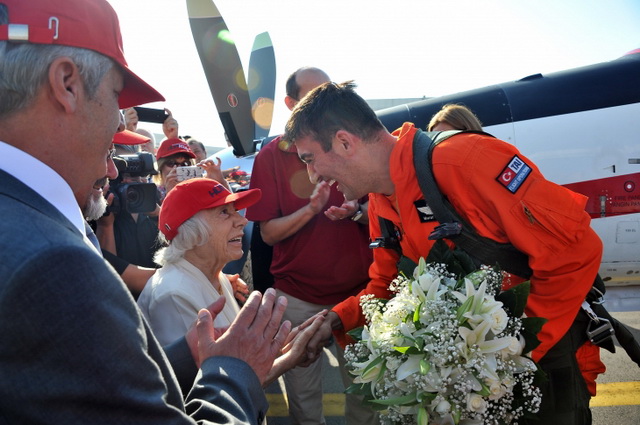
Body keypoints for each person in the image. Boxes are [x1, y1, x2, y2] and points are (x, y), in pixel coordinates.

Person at [0, 1, 317, 423]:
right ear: (67, 83)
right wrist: (236, 370)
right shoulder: (54, 264)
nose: (117, 121)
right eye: (116, 94)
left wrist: (192, 353)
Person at [284, 81, 605, 425]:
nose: (311, 175)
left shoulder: (466, 160)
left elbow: (574, 253)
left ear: (344, 141)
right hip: (471, 381)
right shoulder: (379, 202)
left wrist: (509, 350)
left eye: (310, 159)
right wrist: (334, 319)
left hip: (539, 364)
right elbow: (387, 283)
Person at [245, 67, 376, 425]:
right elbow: (268, 234)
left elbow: (380, 208)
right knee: (305, 405)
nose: (324, 103)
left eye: (328, 92)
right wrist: (311, 210)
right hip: (298, 300)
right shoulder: (271, 156)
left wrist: (359, 212)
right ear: (290, 104)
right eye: (313, 95)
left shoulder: (350, 143)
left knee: (367, 398)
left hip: (357, 297)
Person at [138, 178, 259, 346]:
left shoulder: (212, 274)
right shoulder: (174, 295)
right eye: (224, 212)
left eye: (236, 211)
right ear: (192, 232)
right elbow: (204, 371)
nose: (242, 221)